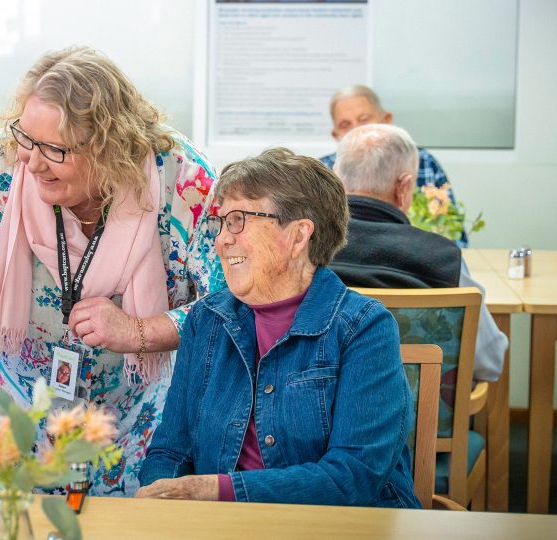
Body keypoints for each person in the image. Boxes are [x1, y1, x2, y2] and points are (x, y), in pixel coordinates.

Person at [0, 46, 220, 496]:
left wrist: (142, 332)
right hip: (6, 430)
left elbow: (233, 305)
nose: (32, 162)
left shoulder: (182, 181)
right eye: (26, 138)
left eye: (54, 148)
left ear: (110, 148)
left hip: (129, 434)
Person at [137, 148, 420, 508]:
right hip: (221, 528)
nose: (222, 240)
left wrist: (217, 491)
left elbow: (353, 476)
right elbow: (170, 451)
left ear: (299, 236)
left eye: (238, 220)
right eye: (222, 222)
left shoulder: (363, 328)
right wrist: (159, 501)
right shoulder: (206, 321)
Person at [328, 124, 507, 382]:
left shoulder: (304, 250)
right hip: (422, 420)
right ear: (404, 187)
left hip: (314, 419)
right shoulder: (443, 258)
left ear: (336, 178)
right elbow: (490, 362)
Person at [319, 85, 465, 246]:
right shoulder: (322, 172)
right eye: (345, 124)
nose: (357, 129)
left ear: (386, 120)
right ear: (336, 135)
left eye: (364, 119)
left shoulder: (422, 162)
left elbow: (454, 235)